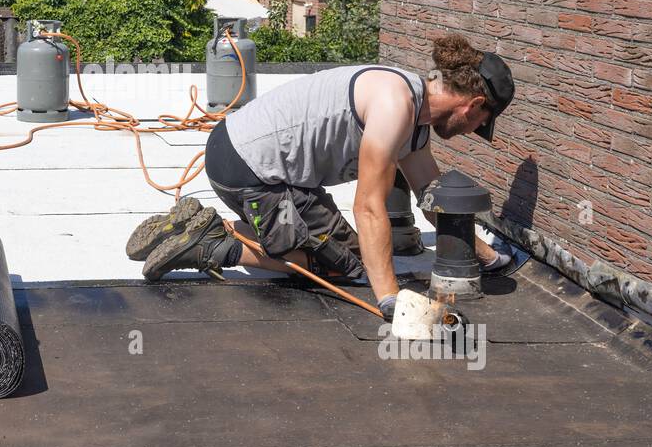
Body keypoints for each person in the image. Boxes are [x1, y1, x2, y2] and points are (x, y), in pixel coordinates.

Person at [128, 34, 516, 320]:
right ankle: (209, 243)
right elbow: (368, 205)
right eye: (480, 123)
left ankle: (215, 228)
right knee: (343, 266)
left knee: (354, 253)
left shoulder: (414, 118)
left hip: (270, 169)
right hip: (247, 168)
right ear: (474, 105)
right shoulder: (395, 104)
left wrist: (488, 257)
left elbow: (434, 202)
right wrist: (390, 300)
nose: (472, 132)